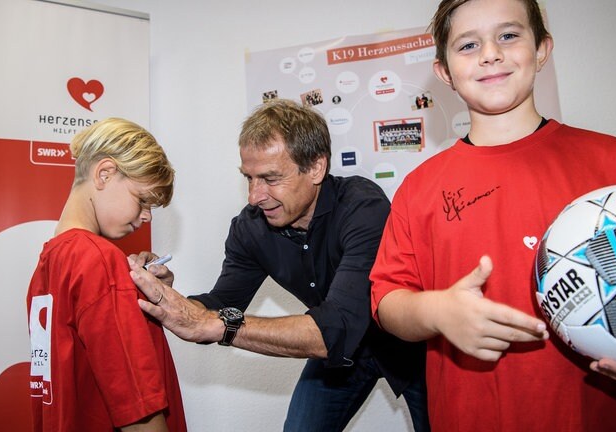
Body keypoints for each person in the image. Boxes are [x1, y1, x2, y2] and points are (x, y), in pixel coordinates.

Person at [369, 0, 616, 430]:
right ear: (444, 72)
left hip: (605, 414)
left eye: (509, 35)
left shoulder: (615, 163)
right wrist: (437, 311)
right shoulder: (419, 188)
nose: (491, 52)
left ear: (542, 50)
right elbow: (387, 302)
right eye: (468, 45)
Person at [128, 99, 428, 431]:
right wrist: (167, 298)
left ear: (315, 167)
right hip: (338, 345)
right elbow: (221, 303)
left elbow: (333, 327)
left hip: (411, 344)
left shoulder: (361, 207)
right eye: (249, 178)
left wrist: (215, 325)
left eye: (270, 178)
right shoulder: (250, 227)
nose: (254, 196)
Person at [26, 118, 187, 431]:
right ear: (104, 173)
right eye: (142, 200)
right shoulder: (99, 260)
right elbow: (137, 409)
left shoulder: (50, 259)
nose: (147, 216)